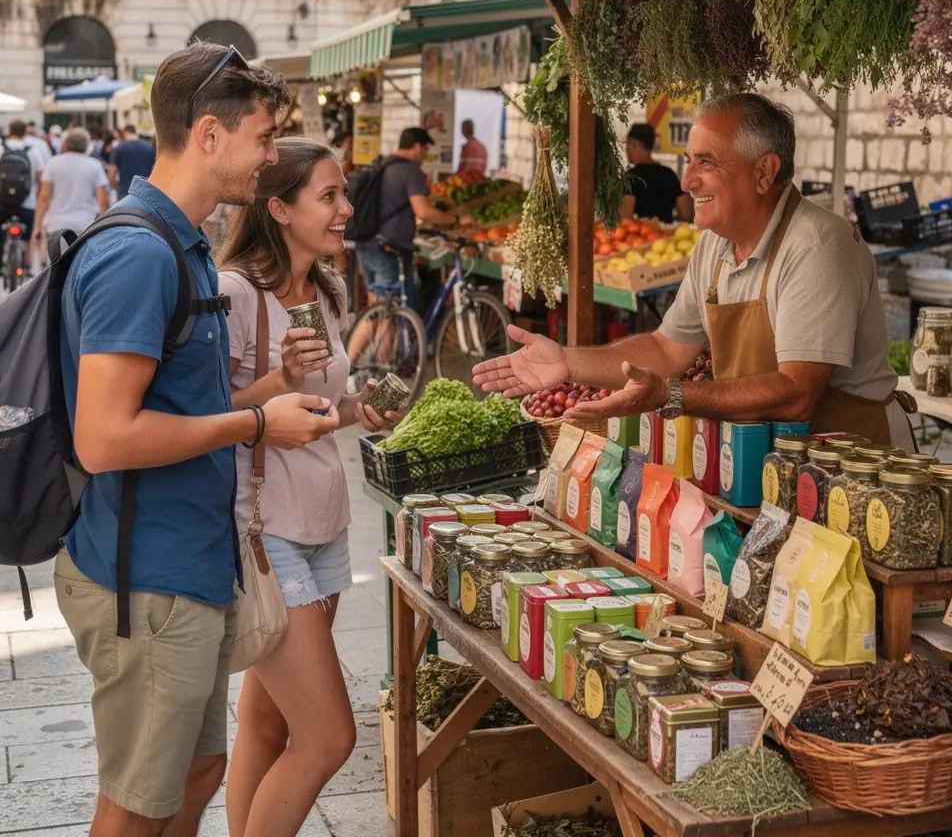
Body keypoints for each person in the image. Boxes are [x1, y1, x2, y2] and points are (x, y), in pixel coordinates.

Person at [53, 42, 343, 837]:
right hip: (146, 580)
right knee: (138, 803)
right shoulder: (138, 253)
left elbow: (184, 406)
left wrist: (272, 392)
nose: (270, 155)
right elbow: (105, 437)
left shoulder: (179, 244)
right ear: (209, 135)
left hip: (188, 567)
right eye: (262, 136)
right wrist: (255, 423)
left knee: (197, 773)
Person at [475, 93, 914, 448]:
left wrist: (673, 394)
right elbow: (668, 351)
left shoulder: (817, 246)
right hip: (774, 457)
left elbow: (798, 394)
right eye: (689, 160)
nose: (687, 180)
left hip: (856, 464)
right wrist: (568, 361)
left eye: (706, 162)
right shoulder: (714, 246)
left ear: (764, 172)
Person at [217, 136, 402, 837]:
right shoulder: (237, 293)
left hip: (326, 529)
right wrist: (281, 385)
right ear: (280, 208)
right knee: (328, 739)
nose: (346, 208)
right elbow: (210, 416)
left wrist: (358, 411)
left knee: (265, 723)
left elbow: (320, 410)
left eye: (343, 193)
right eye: (329, 195)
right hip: (269, 537)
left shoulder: (325, 286)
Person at [354, 125, 471, 312]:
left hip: (367, 243)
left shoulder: (382, 165)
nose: (426, 154)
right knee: (387, 314)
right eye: (425, 149)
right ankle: (370, 342)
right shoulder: (411, 171)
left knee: (376, 310)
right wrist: (456, 220)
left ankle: (379, 341)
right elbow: (424, 212)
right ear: (416, 147)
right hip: (389, 250)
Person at [31, 126, 110, 245]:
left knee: (58, 262)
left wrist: (37, 225)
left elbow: (44, 197)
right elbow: (103, 201)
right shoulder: (94, 165)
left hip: (57, 225)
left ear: (66, 143)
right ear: (86, 145)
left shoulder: (53, 163)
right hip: (86, 224)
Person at [621, 122, 693, 224]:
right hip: (667, 236)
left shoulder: (630, 178)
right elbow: (686, 214)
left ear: (633, 144)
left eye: (627, 145)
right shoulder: (669, 175)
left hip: (639, 237)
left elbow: (625, 219)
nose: (626, 150)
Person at [1, 118, 51, 238]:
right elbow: (41, 178)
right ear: (24, 132)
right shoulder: (33, 151)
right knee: (28, 238)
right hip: (27, 203)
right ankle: (26, 253)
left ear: (10, 131)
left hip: (2, 202)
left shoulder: (1, 148)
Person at [110, 122, 157, 197]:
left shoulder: (119, 148)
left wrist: (115, 187)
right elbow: (156, 169)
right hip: (145, 192)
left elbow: (112, 172)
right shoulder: (149, 147)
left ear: (125, 133)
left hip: (125, 191)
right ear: (135, 132)